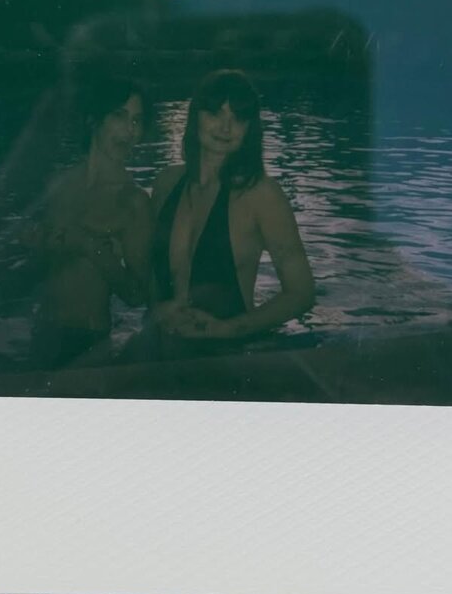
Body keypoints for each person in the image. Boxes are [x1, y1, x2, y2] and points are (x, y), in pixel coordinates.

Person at [134, 69, 315, 359]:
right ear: (196, 115)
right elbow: (155, 274)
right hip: (162, 346)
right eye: (215, 113)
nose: (226, 127)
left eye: (238, 118)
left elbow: (301, 292)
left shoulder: (261, 195)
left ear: (250, 128)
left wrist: (227, 329)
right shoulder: (166, 183)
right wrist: (155, 310)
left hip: (225, 354)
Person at [26, 76, 152, 371]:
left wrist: (91, 248)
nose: (130, 130)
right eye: (119, 116)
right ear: (94, 120)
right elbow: (41, 270)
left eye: (137, 120)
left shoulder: (133, 202)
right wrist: (35, 242)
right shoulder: (59, 183)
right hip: (41, 331)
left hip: (88, 340)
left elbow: (138, 295)